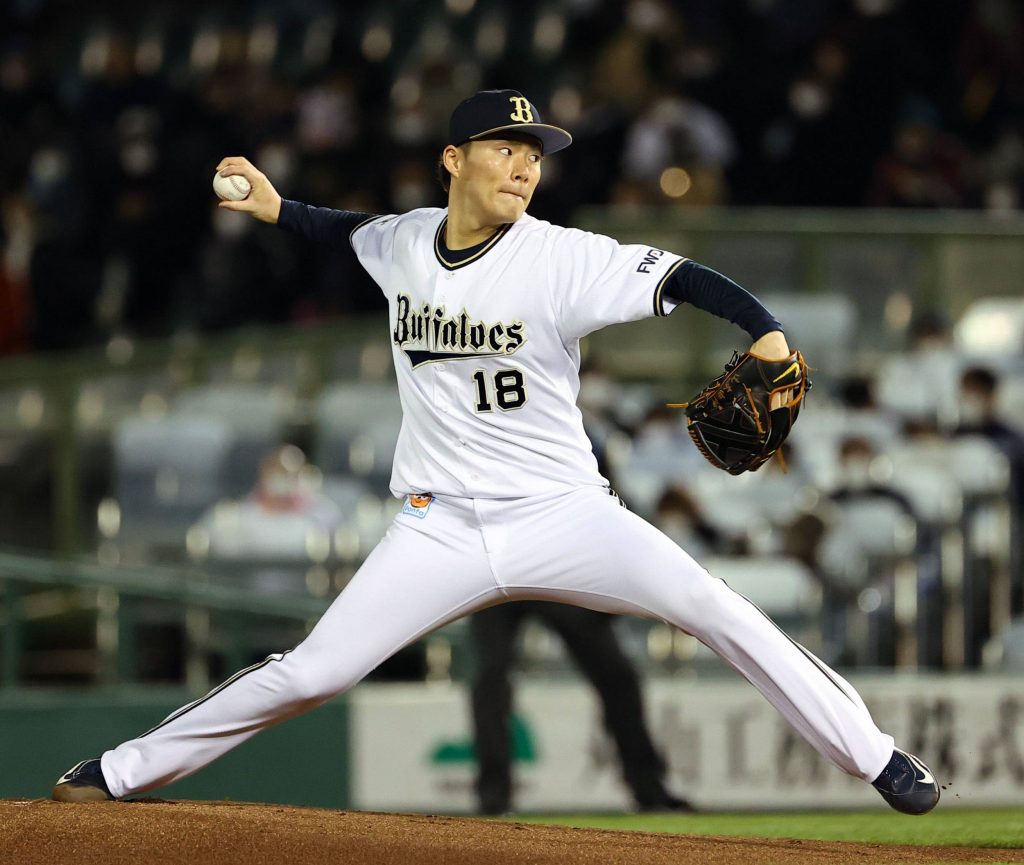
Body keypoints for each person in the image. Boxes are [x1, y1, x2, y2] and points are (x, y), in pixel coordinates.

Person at [52, 89, 939, 816]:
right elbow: (338, 228)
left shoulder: (560, 258)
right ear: (453, 160)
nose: (524, 164)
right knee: (314, 670)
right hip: (437, 527)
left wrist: (769, 332)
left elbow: (682, 276)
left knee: (714, 606)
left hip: (564, 514)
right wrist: (274, 205)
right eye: (503, 146)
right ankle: (119, 772)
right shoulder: (401, 241)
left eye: (534, 152)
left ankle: (882, 759)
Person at [470, 601, 690, 815]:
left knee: (617, 676)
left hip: (552, 576)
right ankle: (493, 799)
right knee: (489, 679)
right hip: (500, 574)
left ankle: (650, 790)